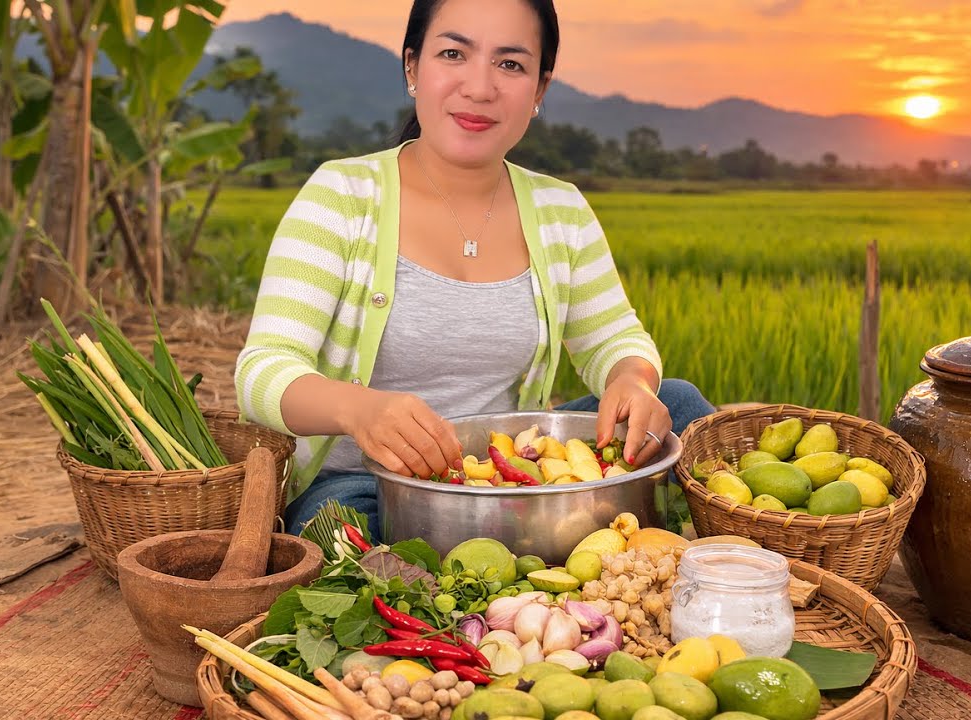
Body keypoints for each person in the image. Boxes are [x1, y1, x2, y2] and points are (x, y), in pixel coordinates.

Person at [234, 0, 715, 539]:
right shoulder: (342, 196)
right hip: (369, 481)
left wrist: (630, 378)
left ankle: (743, 549)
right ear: (413, 67)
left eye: (510, 64)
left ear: (539, 90)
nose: (480, 87)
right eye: (453, 53)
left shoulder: (562, 210)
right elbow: (263, 371)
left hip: (515, 476)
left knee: (676, 402)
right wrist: (359, 410)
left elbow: (615, 337)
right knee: (344, 537)